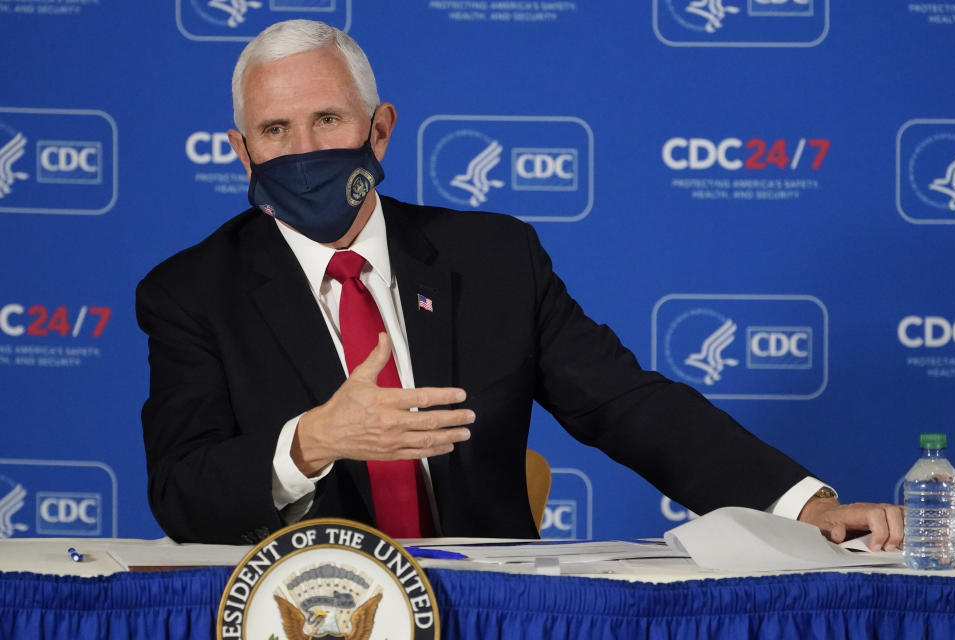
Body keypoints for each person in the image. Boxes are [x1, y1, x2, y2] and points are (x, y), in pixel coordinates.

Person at [136, 19, 903, 549]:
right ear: (241, 151)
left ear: (380, 130)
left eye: (328, 121)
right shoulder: (192, 292)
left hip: (491, 610)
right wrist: (311, 442)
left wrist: (808, 505)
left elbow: (628, 405)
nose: (303, 151)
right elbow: (181, 491)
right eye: (275, 132)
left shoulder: (492, 258)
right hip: (304, 610)